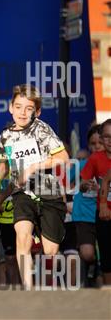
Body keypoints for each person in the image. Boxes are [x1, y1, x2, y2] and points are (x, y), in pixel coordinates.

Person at [0, 84, 69, 290]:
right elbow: (5, 167)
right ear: (11, 108)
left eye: (29, 108)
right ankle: (28, 289)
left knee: (50, 251)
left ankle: (51, 286)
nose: (23, 113)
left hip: (48, 192)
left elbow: (63, 158)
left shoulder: (41, 129)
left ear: (37, 112)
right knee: (22, 236)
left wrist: (34, 167)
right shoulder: (5, 136)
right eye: (18, 107)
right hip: (22, 194)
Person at [63, 125, 101, 287]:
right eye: (93, 143)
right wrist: (65, 201)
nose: (97, 146)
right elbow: (62, 181)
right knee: (87, 253)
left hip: (104, 214)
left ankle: (95, 274)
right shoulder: (81, 164)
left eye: (100, 142)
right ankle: (92, 267)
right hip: (84, 216)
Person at [80, 118, 111, 285]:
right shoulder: (95, 159)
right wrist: (87, 185)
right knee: (107, 260)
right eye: (106, 137)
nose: (110, 141)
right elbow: (82, 184)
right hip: (104, 216)